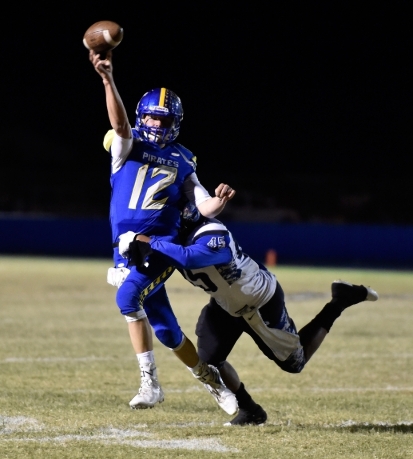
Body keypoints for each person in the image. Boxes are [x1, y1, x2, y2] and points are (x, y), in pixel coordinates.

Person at [121, 204, 379, 425]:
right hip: (224, 305)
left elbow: (190, 258)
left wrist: (150, 241)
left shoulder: (213, 232)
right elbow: (151, 272)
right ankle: (251, 410)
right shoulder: (172, 241)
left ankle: (340, 301)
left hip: (259, 303)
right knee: (209, 361)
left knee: (294, 363)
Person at [88, 49, 237, 415]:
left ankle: (150, 384)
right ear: (142, 118)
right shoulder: (126, 144)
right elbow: (120, 126)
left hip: (161, 245)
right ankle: (210, 380)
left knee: (127, 299)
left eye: (162, 119)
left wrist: (217, 205)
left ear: (175, 122)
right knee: (167, 329)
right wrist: (108, 80)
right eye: (151, 118)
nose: (155, 125)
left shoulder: (184, 158)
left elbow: (201, 203)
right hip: (124, 247)